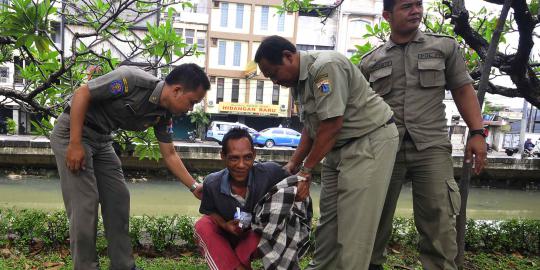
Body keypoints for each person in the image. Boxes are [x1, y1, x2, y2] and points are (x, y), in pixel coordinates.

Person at [359, 1, 487, 269]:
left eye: (418, 4)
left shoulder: (443, 47)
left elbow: (463, 89)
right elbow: (359, 110)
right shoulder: (370, 61)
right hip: (384, 149)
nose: (416, 10)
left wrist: (477, 132)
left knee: (439, 224)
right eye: (407, 6)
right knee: (373, 222)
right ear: (387, 15)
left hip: (431, 146)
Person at [255, 35, 400, 270]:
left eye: (273, 74)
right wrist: (293, 164)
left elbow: (332, 125)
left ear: (288, 57)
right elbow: (311, 128)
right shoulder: (298, 83)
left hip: (368, 142)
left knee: (355, 225)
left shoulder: (325, 68)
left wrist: (306, 171)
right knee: (328, 223)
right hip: (337, 149)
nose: (274, 81)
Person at [49, 63, 210, 270]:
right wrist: (75, 143)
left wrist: (194, 186)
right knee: (85, 206)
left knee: (118, 199)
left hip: (102, 139)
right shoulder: (131, 80)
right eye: (192, 102)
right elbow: (82, 93)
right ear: (177, 90)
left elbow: (169, 154)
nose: (191, 109)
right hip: (73, 134)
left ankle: (123, 266)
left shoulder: (163, 114)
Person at [194, 127, 290, 270]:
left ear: (254, 155)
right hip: (227, 236)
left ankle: (236, 263)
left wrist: (303, 182)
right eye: (234, 158)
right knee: (202, 225)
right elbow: (210, 211)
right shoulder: (211, 183)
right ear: (222, 156)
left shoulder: (270, 172)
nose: (241, 165)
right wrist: (225, 225)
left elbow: (295, 180)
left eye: (247, 157)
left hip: (257, 236)